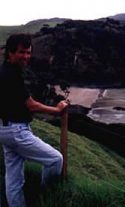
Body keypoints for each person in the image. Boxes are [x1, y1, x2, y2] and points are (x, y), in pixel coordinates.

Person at [0, 34, 68, 207]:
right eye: (21, 52)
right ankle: (47, 199)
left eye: (28, 52)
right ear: (10, 52)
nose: (26, 57)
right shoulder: (11, 74)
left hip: (4, 129)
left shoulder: (4, 70)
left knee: (13, 178)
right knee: (55, 159)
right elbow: (31, 105)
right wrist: (57, 110)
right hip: (16, 131)